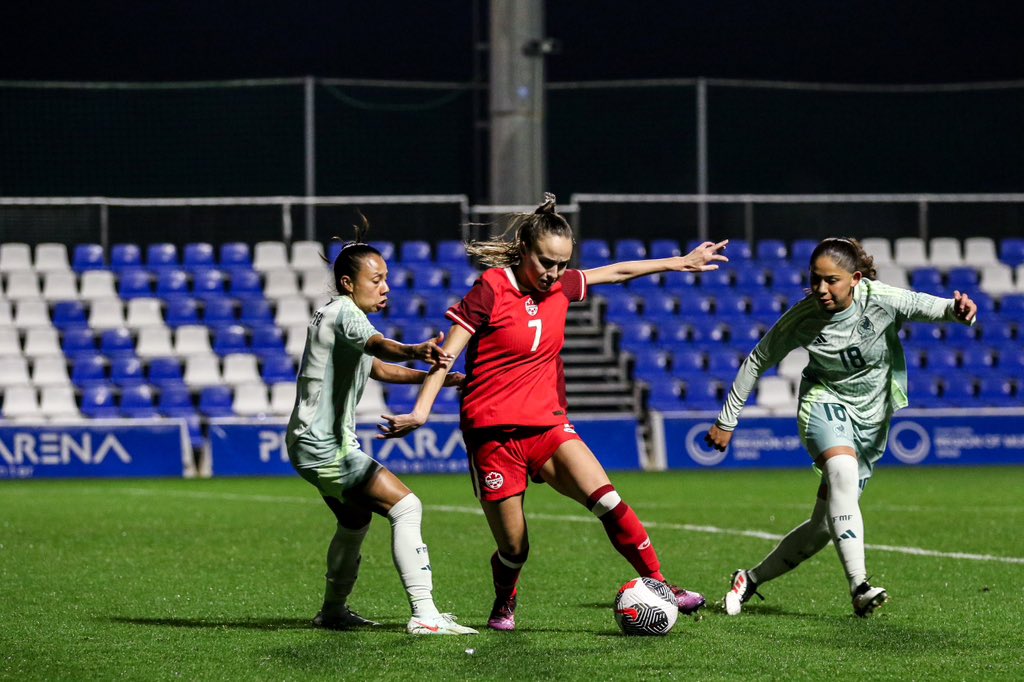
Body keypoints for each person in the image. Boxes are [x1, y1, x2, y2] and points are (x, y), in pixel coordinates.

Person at [378, 193, 728, 631]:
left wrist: (681, 262)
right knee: (514, 548)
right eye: (546, 262)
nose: (554, 274)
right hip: (494, 437)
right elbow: (446, 356)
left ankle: (659, 584)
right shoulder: (491, 289)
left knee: (609, 501)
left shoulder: (562, 285)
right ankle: (505, 599)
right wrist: (421, 412)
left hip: (547, 426)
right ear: (525, 250)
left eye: (563, 264)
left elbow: (618, 272)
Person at [705, 237, 978, 617]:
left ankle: (749, 579)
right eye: (815, 279)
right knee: (841, 470)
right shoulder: (805, 316)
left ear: (856, 279)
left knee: (821, 528)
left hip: (871, 418)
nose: (820, 289)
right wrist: (727, 418)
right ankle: (860, 586)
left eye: (831, 280)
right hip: (824, 400)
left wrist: (960, 311)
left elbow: (931, 307)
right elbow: (758, 360)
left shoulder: (881, 299)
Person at [286, 221, 477, 636]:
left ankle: (333, 611)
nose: (386, 287)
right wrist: (416, 349)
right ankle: (425, 615)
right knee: (407, 506)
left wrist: (437, 377)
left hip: (311, 443)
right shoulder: (346, 313)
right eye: (376, 279)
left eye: (386, 278)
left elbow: (380, 368)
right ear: (348, 283)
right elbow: (382, 347)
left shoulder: (337, 316)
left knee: (354, 523)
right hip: (326, 447)